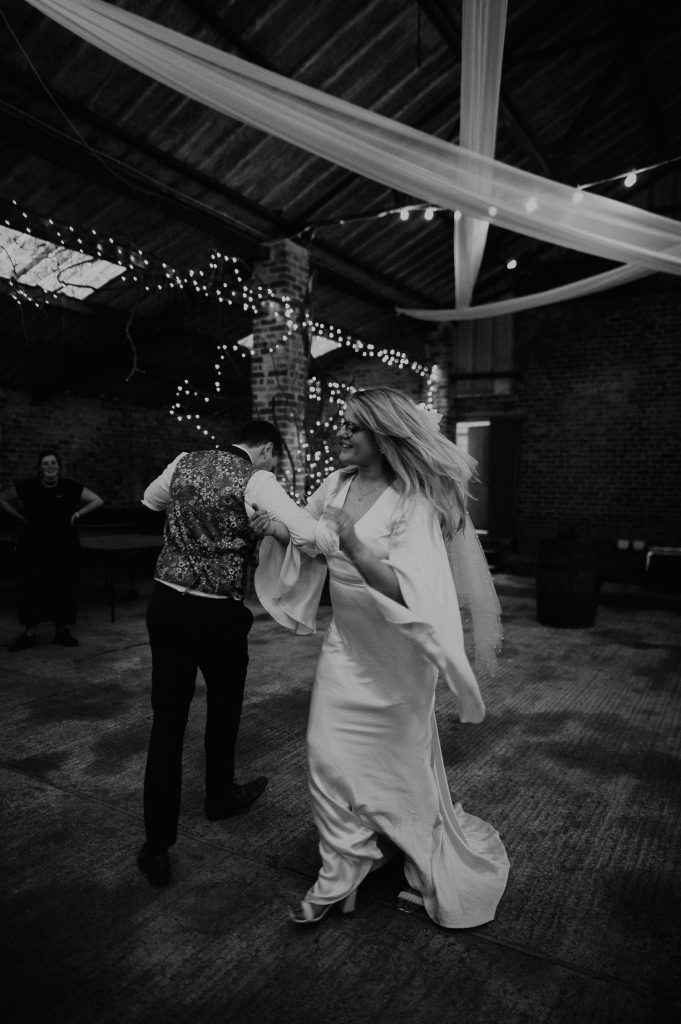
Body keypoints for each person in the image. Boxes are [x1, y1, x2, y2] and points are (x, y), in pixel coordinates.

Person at [252, 387, 508, 929]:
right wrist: (277, 527)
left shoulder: (411, 500)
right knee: (325, 754)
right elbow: (316, 537)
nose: (340, 433)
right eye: (342, 424)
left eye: (353, 427)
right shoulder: (337, 484)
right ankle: (341, 870)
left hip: (398, 657)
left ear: (383, 438)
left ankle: (421, 856)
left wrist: (358, 548)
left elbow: (404, 586)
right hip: (347, 648)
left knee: (401, 767)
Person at [136, 420, 320, 887]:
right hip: (216, 613)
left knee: (167, 722)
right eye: (275, 458)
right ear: (265, 449)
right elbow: (309, 535)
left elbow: (149, 500)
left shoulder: (183, 462)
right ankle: (218, 796)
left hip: (166, 603)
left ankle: (156, 845)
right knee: (223, 706)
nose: (273, 466)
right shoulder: (257, 479)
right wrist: (274, 526)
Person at [0, 449, 103, 650]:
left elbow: (98, 500)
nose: (49, 467)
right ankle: (29, 634)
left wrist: (78, 515)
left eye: (53, 463)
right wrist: (20, 518)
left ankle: (61, 631)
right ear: (40, 467)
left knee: (63, 585)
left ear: (58, 467)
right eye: (45, 463)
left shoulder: (69, 486)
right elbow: (2, 498)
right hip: (33, 544)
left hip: (63, 545)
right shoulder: (28, 486)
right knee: (31, 586)